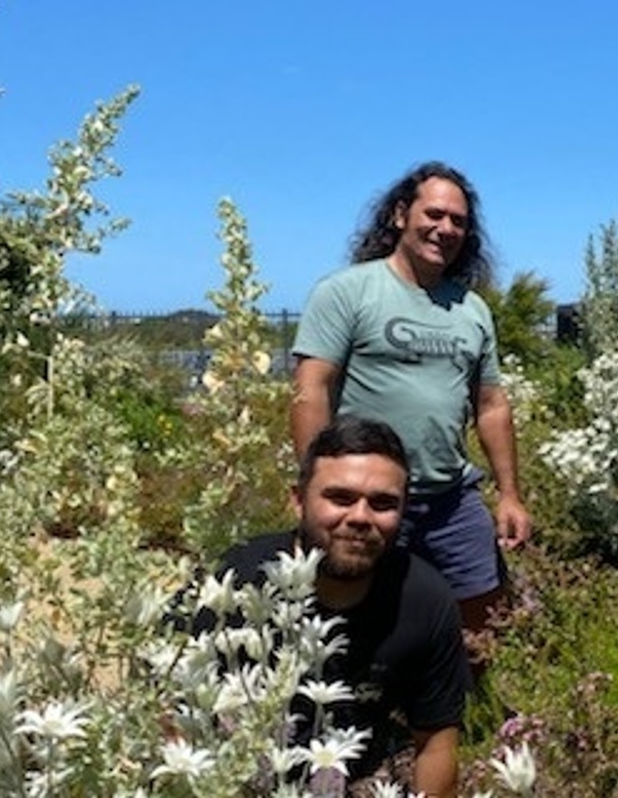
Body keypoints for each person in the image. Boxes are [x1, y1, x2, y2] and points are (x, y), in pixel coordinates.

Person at [288, 162, 532, 667]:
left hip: (450, 499)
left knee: (482, 623)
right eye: (435, 214)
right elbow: (311, 389)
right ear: (401, 215)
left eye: (459, 222)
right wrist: (315, 481)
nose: (446, 229)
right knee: (353, 621)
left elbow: (491, 405)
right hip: (369, 501)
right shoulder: (347, 292)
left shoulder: (471, 310)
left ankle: (470, 718)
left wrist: (509, 495)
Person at [197, 416, 469, 796]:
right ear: (297, 501)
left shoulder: (424, 600)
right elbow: (171, 707)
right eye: (340, 498)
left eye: (383, 504)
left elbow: (436, 744)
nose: (360, 517)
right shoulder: (234, 582)